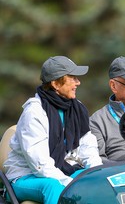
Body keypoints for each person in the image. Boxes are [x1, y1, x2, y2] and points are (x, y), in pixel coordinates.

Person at [3, 56, 102, 204]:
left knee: (97, 180)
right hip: (26, 176)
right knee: (53, 187)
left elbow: (88, 145)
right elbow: (40, 165)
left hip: (62, 171)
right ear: (56, 83)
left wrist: (97, 173)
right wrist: (71, 183)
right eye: (73, 78)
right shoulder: (34, 112)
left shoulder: (77, 108)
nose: (78, 82)